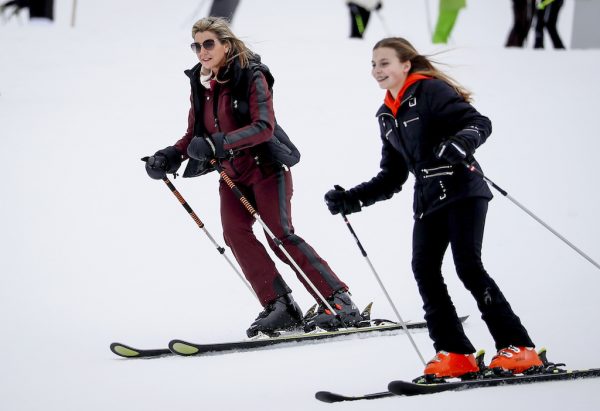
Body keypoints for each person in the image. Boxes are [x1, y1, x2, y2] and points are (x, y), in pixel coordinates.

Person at [324, 37, 543, 378]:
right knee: (424, 270)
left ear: (405, 65)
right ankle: (455, 353)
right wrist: (352, 198)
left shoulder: (431, 92)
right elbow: (392, 176)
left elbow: (478, 123)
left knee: (468, 266)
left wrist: (459, 143)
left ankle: (519, 349)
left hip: (462, 189)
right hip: (428, 200)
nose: (377, 70)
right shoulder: (386, 114)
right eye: (373, 64)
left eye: (384, 63)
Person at [144, 17, 362, 337]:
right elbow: (194, 134)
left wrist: (218, 143)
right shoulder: (200, 83)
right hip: (230, 173)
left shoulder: (251, 75)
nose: (202, 51)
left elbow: (264, 127)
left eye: (208, 44)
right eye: (196, 45)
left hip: (265, 167)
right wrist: (168, 156)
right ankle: (280, 306)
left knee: (280, 236)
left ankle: (339, 302)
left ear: (226, 44)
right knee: (234, 233)